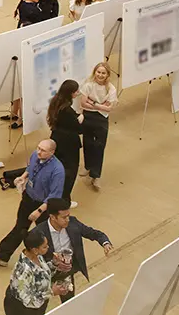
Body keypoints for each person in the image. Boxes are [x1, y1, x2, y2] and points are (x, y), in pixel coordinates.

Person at [0, 139, 65, 267]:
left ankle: (51, 261)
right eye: (38, 148)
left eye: (43, 150)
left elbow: (54, 195)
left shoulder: (57, 170)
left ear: (52, 152)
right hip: (28, 198)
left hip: (44, 207)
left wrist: (39, 211)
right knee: (20, 227)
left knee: (45, 234)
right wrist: (22, 177)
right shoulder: (35, 155)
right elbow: (30, 168)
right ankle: (3, 256)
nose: (38, 152)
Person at [33, 198, 113, 302]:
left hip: (67, 272)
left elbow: (94, 233)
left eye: (68, 216)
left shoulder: (73, 223)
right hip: (47, 273)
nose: (68, 220)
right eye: (64, 217)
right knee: (41, 302)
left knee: (68, 301)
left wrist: (105, 243)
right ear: (52, 217)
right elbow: (33, 257)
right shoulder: (38, 232)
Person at [3, 229, 68, 314]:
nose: (48, 247)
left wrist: (54, 264)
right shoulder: (23, 271)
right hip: (23, 310)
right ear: (35, 249)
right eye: (44, 246)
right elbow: (28, 301)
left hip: (38, 304)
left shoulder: (37, 256)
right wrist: (51, 292)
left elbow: (40, 273)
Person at [78, 63, 117, 191]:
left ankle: (96, 175)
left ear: (107, 75)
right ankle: (88, 166)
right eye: (98, 72)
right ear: (95, 72)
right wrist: (100, 105)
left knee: (99, 146)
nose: (100, 75)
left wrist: (93, 103)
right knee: (88, 142)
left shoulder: (111, 89)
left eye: (103, 73)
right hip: (88, 116)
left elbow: (110, 108)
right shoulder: (88, 85)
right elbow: (83, 103)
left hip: (102, 118)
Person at [47, 80, 83, 205]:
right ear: (71, 93)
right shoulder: (66, 109)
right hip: (68, 145)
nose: (78, 93)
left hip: (57, 139)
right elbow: (78, 129)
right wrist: (80, 119)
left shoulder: (56, 102)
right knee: (70, 172)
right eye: (76, 91)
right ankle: (64, 200)